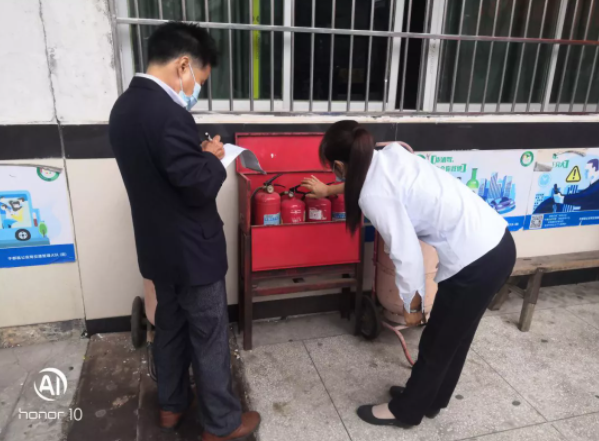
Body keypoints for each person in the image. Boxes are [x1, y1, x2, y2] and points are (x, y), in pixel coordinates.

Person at [302, 120, 516, 428]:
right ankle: (432, 399)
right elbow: (362, 179)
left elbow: (408, 257)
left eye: (333, 170)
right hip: (497, 243)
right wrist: (330, 189)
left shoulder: (374, 194)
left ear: (338, 166)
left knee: (436, 343)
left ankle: (407, 411)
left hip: (476, 261)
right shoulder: (391, 153)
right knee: (455, 337)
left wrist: (412, 308)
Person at [109, 22, 260, 441]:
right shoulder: (169, 114)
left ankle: (171, 406)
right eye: (200, 80)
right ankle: (222, 424)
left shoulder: (124, 108)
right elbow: (196, 189)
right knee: (209, 335)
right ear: (182, 65)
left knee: (170, 327)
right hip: (193, 250)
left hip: (156, 247)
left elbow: (161, 172)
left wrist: (197, 156)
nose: (197, 89)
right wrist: (212, 157)